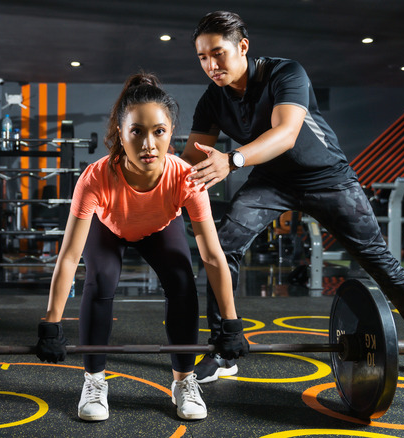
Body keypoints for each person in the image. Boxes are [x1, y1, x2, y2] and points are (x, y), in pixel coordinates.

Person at [180, 11, 404, 386]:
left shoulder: (285, 73)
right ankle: (224, 346)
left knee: (378, 260)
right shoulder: (212, 100)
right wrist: (146, 167)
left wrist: (232, 160)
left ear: (242, 47)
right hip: (271, 180)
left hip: (326, 176)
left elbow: (286, 134)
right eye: (202, 57)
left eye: (218, 53)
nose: (211, 65)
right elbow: (191, 159)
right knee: (222, 245)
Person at [34, 72, 249, 422]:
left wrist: (231, 323)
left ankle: (184, 380)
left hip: (159, 228)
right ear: (121, 134)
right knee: (100, 279)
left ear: (170, 133)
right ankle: (94, 381)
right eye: (137, 132)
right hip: (109, 227)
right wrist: (51, 324)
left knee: (181, 280)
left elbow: (212, 255)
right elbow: (70, 255)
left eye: (159, 132)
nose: (149, 143)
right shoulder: (95, 177)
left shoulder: (186, 178)